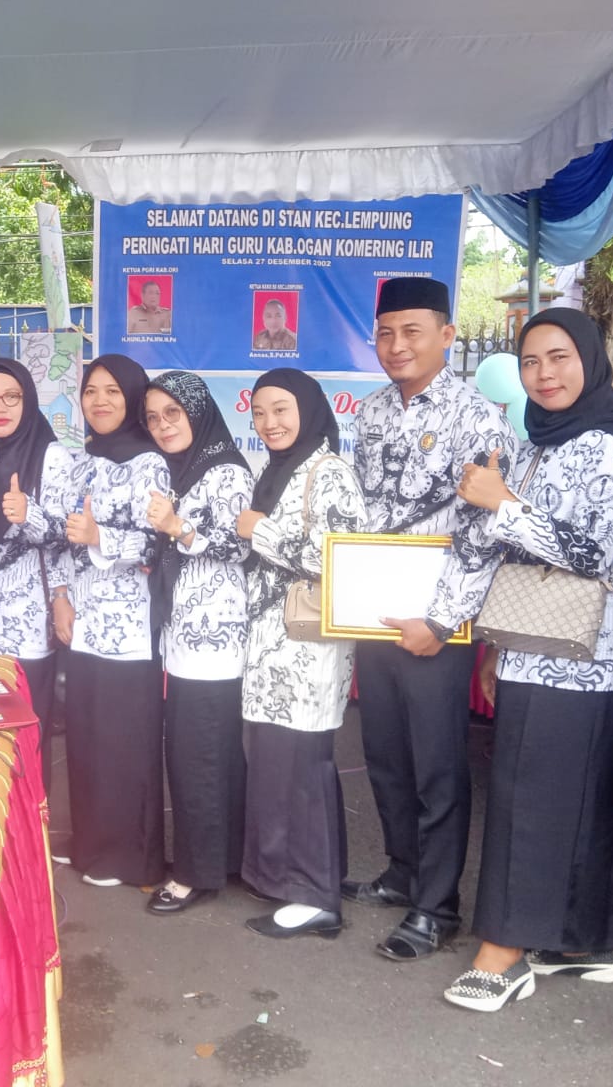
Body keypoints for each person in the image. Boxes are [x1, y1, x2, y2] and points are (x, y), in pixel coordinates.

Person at [442, 307, 613, 1012]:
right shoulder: (539, 442)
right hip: (534, 645)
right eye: (530, 361)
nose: (544, 373)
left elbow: (593, 551)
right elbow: (515, 554)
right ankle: (585, 940)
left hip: (585, 656)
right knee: (573, 798)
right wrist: (496, 648)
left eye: (559, 357)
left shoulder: (607, 442)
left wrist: (504, 505)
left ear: (590, 361)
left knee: (528, 798)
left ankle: (504, 951)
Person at [347, 276, 515, 961]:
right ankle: (402, 872)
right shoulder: (371, 412)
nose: (397, 345)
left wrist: (441, 622)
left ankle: (436, 906)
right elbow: (363, 513)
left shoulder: (478, 419)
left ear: (446, 335)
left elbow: (485, 531)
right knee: (385, 754)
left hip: (436, 624)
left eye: (412, 331)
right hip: (374, 614)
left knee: (438, 767)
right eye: (386, 333)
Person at [237, 369, 368, 941]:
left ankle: (315, 896)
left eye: (282, 409)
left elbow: (342, 557)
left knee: (301, 769)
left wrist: (260, 531)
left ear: (308, 410)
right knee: (278, 764)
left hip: (306, 650)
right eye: (260, 412)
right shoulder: (279, 470)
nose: (270, 423)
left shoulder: (329, 472)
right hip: (271, 648)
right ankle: (297, 878)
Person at [140, 371, 254, 914]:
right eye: (153, 418)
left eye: (173, 413)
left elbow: (239, 546)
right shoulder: (183, 470)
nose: (163, 426)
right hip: (188, 637)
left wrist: (178, 528)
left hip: (214, 639)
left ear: (198, 413)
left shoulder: (226, 470)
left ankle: (194, 873)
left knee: (197, 756)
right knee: (210, 753)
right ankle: (225, 859)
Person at [61, 355, 171, 888]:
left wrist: (99, 536)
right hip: (84, 620)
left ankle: (128, 856)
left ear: (131, 397)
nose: (99, 400)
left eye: (111, 391)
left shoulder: (150, 463)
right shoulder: (82, 460)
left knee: (123, 741)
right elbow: (65, 536)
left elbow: (155, 543)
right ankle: (90, 846)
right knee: (86, 736)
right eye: (90, 391)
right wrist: (61, 596)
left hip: (128, 626)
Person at [0, 358, 76, 786]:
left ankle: (31, 826)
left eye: (11, 397)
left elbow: (67, 535)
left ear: (27, 401)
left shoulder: (50, 456)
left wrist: (29, 516)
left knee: (26, 737)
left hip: (25, 623)